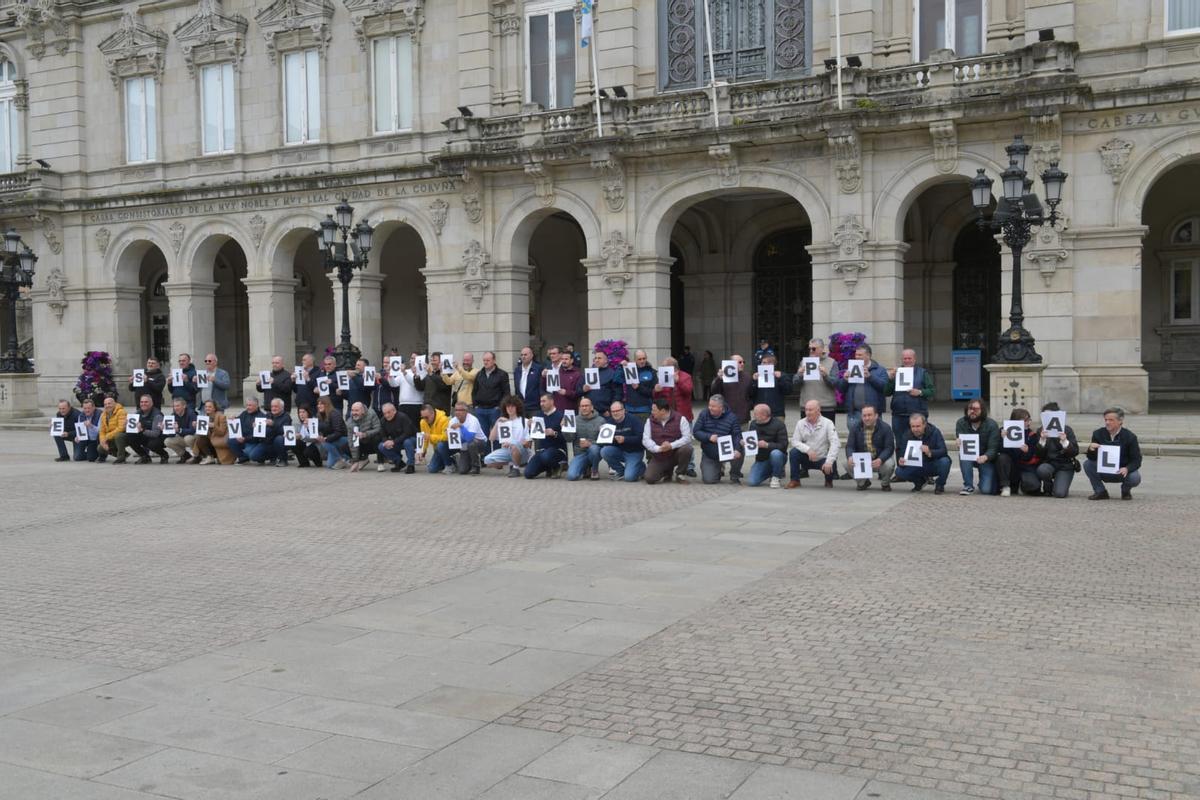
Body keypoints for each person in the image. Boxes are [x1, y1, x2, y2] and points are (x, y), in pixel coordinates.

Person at [1084, 406, 1142, 501]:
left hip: (1121, 471)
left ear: (1120, 421)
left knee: (1135, 477)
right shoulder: (1098, 434)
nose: (1107, 422)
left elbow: (1137, 460)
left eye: (1111, 420)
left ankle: (1125, 491)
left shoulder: (1130, 437)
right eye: (1106, 420)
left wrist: (1127, 468)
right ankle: (1100, 491)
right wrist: (1091, 449)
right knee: (1087, 464)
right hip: (1103, 470)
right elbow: (1092, 458)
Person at [653, 355, 697, 478]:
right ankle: (669, 466)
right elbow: (657, 398)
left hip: (684, 414)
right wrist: (656, 391)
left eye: (665, 367)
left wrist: (678, 382)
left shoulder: (685, 376)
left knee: (687, 441)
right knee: (670, 440)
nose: (662, 369)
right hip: (668, 416)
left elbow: (688, 391)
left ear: (674, 368)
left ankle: (689, 466)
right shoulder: (662, 377)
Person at [835, 344, 888, 434]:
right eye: (856, 355)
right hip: (855, 413)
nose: (857, 357)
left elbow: (885, 388)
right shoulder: (851, 369)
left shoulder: (880, 370)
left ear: (868, 355)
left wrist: (870, 377)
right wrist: (844, 380)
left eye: (860, 355)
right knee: (855, 440)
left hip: (873, 413)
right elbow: (840, 389)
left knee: (875, 440)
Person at [786, 399, 840, 489]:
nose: (807, 412)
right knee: (793, 452)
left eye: (810, 410)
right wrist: (808, 450)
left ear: (818, 411)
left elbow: (835, 443)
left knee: (832, 462)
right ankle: (795, 480)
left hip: (822, 458)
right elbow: (795, 441)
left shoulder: (828, 423)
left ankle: (828, 480)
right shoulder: (800, 423)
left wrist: (829, 461)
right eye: (806, 410)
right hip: (807, 456)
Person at [894, 413, 951, 493]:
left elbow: (943, 451)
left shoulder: (934, 432)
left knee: (945, 461)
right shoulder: (907, 435)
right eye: (913, 426)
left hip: (932, 463)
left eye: (918, 426)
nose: (915, 429)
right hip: (917, 465)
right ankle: (919, 482)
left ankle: (940, 484)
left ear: (924, 425)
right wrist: (902, 460)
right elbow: (902, 453)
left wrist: (930, 452)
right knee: (899, 471)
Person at [692, 394, 744, 485]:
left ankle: (735, 475)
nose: (710, 408)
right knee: (709, 480)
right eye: (709, 405)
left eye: (713, 406)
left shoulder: (732, 417)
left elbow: (737, 435)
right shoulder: (704, 414)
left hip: (727, 450)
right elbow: (696, 432)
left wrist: (737, 449)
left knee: (740, 449)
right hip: (710, 452)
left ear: (721, 407)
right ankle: (717, 469)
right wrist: (709, 437)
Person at [954, 398, 1001, 496]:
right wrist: (959, 442)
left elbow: (993, 448)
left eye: (976, 409)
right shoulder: (961, 423)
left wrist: (985, 457)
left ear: (982, 410)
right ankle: (968, 485)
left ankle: (983, 480)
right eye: (970, 409)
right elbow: (962, 444)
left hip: (986, 458)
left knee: (986, 490)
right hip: (969, 456)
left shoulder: (992, 425)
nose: (972, 411)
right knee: (963, 454)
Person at [643, 397, 694, 485]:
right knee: (649, 478)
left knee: (687, 448)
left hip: (675, 454)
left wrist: (671, 445)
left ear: (662, 411)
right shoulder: (649, 421)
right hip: (659, 456)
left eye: (654, 410)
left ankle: (680, 474)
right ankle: (667, 472)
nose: (652, 412)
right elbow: (646, 439)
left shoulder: (681, 419)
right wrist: (659, 448)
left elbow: (687, 438)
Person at [885, 349, 934, 439]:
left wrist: (919, 392)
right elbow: (887, 392)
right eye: (905, 358)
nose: (907, 361)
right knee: (900, 443)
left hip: (917, 415)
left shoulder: (922, 372)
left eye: (909, 358)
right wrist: (891, 379)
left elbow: (931, 391)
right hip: (898, 415)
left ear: (914, 359)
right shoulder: (897, 372)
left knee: (918, 442)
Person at [845, 404, 895, 491]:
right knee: (847, 464)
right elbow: (850, 446)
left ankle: (885, 483)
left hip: (879, 459)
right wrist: (850, 457)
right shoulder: (855, 427)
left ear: (876, 416)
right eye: (864, 415)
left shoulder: (886, 428)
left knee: (889, 464)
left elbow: (889, 448)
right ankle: (863, 482)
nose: (867, 418)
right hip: (863, 461)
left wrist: (880, 459)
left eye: (869, 415)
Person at [1034, 402, 1079, 499]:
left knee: (1059, 494)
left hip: (1065, 466)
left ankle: (1058, 484)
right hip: (1049, 464)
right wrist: (1042, 440)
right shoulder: (1040, 431)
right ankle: (1048, 484)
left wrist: (1064, 441)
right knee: (1042, 469)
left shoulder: (1067, 430)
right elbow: (1038, 455)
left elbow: (1075, 452)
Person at [995, 408, 1042, 497]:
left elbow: (1029, 456)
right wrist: (1002, 439)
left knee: (1034, 486)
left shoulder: (1031, 435)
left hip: (1025, 467)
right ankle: (1005, 486)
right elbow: (998, 449)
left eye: (1029, 420)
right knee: (1002, 457)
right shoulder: (1003, 431)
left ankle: (1021, 486)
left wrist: (1026, 451)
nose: (1029, 423)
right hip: (1009, 467)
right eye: (1025, 420)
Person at [483, 395, 530, 477]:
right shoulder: (502, 422)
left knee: (514, 444)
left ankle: (516, 468)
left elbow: (528, 443)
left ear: (517, 407)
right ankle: (512, 462)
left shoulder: (524, 421)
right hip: (507, 451)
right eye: (508, 406)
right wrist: (497, 423)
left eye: (512, 406)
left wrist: (512, 444)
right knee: (487, 460)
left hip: (522, 451)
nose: (510, 408)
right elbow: (491, 438)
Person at [524, 393, 568, 479]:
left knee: (546, 456)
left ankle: (558, 466)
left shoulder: (561, 416)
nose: (541, 404)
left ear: (552, 401)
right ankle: (549, 467)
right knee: (528, 473)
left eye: (544, 401)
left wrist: (554, 434)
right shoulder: (538, 416)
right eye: (540, 402)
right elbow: (535, 437)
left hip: (558, 450)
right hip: (542, 451)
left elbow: (567, 438)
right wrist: (530, 428)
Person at [600, 400, 646, 482]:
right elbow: (604, 443)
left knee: (629, 478)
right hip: (620, 451)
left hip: (634, 452)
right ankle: (621, 471)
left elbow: (641, 438)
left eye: (618, 411)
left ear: (624, 410)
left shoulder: (634, 420)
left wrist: (625, 439)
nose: (615, 413)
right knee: (604, 451)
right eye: (613, 411)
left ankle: (640, 466)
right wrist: (602, 435)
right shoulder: (609, 422)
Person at [746, 403, 788, 488]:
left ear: (764, 415)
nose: (753, 416)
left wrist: (767, 445)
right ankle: (770, 471)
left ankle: (776, 476)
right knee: (752, 482)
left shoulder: (779, 425)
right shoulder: (753, 424)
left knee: (776, 453)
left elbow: (783, 445)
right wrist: (745, 443)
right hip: (761, 459)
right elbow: (751, 443)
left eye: (755, 414)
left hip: (778, 456)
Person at [797, 339, 838, 423]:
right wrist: (799, 375)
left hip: (826, 407)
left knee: (827, 435)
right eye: (809, 349)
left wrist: (826, 375)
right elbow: (795, 383)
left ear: (822, 349)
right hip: (807, 406)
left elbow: (836, 383)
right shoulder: (804, 362)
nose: (811, 351)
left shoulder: (832, 362)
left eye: (814, 349)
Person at [439, 402, 486, 475]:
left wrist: (461, 427)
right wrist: (447, 433)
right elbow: (452, 439)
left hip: (479, 443)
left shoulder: (473, 420)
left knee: (471, 444)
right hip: (462, 445)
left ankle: (476, 466)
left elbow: (469, 438)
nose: (458, 412)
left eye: (461, 410)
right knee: (462, 471)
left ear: (466, 411)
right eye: (456, 410)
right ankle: (452, 462)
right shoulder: (452, 421)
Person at [472, 351, 509, 440]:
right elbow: (474, 391)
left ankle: (496, 453)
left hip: (495, 409)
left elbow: (506, 393)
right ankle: (485, 453)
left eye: (488, 360)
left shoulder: (502, 374)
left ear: (494, 361)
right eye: (484, 360)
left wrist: (500, 407)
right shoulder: (479, 374)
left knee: (496, 435)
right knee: (483, 436)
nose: (485, 362)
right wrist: (475, 406)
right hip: (480, 409)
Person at [565, 397, 605, 481]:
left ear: (592, 407)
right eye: (582, 406)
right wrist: (565, 429)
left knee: (594, 449)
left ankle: (594, 470)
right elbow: (569, 439)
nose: (584, 408)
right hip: (580, 453)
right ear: (579, 408)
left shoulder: (601, 421)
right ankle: (585, 468)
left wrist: (590, 443)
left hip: (594, 452)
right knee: (571, 476)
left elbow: (604, 442)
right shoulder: (574, 420)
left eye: (586, 405)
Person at [709, 354, 755, 424]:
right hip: (726, 417)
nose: (742, 364)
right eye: (739, 362)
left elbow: (752, 394)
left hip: (743, 417)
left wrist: (748, 406)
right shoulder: (723, 376)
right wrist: (719, 379)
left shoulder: (747, 377)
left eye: (743, 362)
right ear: (731, 363)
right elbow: (714, 392)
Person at [376, 403, 418, 473]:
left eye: (389, 412)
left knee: (407, 442)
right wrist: (386, 441)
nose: (387, 415)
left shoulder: (403, 417)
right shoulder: (383, 420)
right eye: (384, 413)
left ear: (394, 411)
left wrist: (393, 442)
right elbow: (383, 435)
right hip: (397, 441)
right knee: (381, 446)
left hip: (411, 439)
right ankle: (399, 463)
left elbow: (407, 433)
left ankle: (411, 465)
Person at [126, 394, 168, 464]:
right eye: (141, 402)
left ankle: (164, 455)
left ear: (152, 403)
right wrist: (126, 426)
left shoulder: (157, 415)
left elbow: (155, 434)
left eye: (146, 402)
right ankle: (144, 456)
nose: (143, 404)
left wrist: (142, 430)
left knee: (152, 444)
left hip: (159, 438)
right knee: (130, 435)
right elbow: (132, 428)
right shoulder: (138, 413)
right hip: (146, 436)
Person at [193, 399, 234, 465]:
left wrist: (213, 426)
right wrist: (196, 426)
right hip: (212, 440)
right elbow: (203, 432)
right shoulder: (205, 417)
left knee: (202, 439)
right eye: (206, 407)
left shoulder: (221, 416)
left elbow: (222, 432)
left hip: (219, 440)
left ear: (214, 408)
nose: (207, 408)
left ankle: (213, 457)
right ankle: (209, 457)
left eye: (210, 407)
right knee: (199, 437)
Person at [543, 345, 581, 414]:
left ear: (572, 360)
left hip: (569, 410)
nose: (564, 361)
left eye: (566, 359)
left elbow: (579, 393)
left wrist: (566, 392)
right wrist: (543, 377)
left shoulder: (577, 374)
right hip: (554, 409)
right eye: (562, 359)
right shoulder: (553, 371)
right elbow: (544, 388)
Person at [229, 397, 268, 465]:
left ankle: (260, 457)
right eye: (247, 405)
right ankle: (243, 458)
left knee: (252, 455)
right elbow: (237, 423)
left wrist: (245, 439)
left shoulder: (261, 417)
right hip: (244, 440)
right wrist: (233, 419)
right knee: (231, 440)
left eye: (250, 405)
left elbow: (258, 436)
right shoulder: (244, 413)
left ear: (257, 406)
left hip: (254, 442)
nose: (247, 407)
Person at [581, 350, 622, 415]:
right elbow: (578, 390)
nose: (597, 360)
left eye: (599, 358)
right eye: (595, 358)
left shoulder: (612, 374)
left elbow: (618, 394)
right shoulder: (588, 373)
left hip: (605, 412)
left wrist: (610, 410)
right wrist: (583, 389)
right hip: (589, 412)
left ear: (606, 360)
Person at [315, 395, 350, 469]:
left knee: (324, 443)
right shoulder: (319, 416)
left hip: (344, 439)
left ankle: (341, 460)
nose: (319, 406)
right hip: (332, 440)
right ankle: (345, 458)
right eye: (318, 404)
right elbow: (319, 429)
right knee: (329, 466)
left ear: (327, 404)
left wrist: (326, 438)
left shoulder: (334, 414)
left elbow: (338, 432)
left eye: (321, 404)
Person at [347, 401, 381, 472]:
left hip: (372, 440)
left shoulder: (372, 414)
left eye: (356, 410)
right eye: (352, 410)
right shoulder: (349, 421)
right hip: (361, 443)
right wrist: (355, 460)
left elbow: (378, 428)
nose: (354, 413)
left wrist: (365, 434)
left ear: (363, 410)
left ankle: (381, 462)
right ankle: (362, 459)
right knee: (346, 444)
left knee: (377, 438)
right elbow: (351, 441)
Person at [755, 355, 793, 419]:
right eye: (762, 362)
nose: (762, 364)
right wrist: (753, 381)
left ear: (771, 364)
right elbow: (750, 393)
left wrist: (780, 379)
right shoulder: (758, 376)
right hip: (760, 412)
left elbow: (788, 391)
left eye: (764, 362)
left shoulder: (782, 375)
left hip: (777, 413)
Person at [624, 349, 658, 421]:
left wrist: (639, 388)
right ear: (635, 360)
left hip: (644, 410)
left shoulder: (652, 372)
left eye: (644, 358)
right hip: (629, 410)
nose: (642, 361)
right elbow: (616, 379)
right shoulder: (628, 370)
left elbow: (653, 392)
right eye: (639, 359)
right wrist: (620, 367)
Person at [163, 396, 198, 464]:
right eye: (174, 406)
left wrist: (179, 430)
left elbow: (192, 430)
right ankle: (185, 456)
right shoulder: (173, 415)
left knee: (188, 438)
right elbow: (172, 434)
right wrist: (165, 429)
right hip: (183, 437)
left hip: (194, 437)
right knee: (167, 441)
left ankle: (197, 456)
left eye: (178, 406)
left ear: (184, 406)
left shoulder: (191, 413)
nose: (175, 408)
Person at [392, 355, 424, 428]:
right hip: (403, 405)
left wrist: (404, 373)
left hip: (416, 405)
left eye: (415, 358)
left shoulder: (423, 372)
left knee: (415, 427)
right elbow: (394, 384)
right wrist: (390, 375)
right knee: (403, 427)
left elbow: (414, 384)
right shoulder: (404, 371)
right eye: (412, 358)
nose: (413, 360)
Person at [419, 403, 451, 473]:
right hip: (437, 449)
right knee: (432, 469)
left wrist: (430, 437)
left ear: (432, 413)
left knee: (440, 445)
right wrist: (423, 451)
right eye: (422, 417)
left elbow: (446, 437)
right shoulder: (422, 422)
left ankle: (449, 465)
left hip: (446, 446)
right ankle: (452, 461)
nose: (424, 419)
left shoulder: (444, 420)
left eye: (426, 417)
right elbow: (424, 439)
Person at [97, 395, 129, 464]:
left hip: (124, 436)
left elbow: (121, 428)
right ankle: (124, 454)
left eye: (109, 403)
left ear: (114, 404)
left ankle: (121, 458)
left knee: (118, 435)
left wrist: (107, 437)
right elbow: (102, 431)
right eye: (105, 404)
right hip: (112, 437)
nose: (107, 406)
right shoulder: (103, 415)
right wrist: (103, 441)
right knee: (100, 448)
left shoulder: (121, 412)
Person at [262, 397, 293, 466]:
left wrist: (273, 424)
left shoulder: (286, 417)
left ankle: (283, 460)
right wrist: (256, 425)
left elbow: (284, 431)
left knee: (278, 439)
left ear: (282, 407)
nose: (273, 408)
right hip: (270, 440)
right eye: (272, 406)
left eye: (276, 406)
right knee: (266, 434)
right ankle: (272, 458)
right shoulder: (268, 415)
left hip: (282, 441)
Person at [513, 346, 543, 416]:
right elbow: (517, 388)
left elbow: (541, 387)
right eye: (522, 355)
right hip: (521, 407)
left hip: (535, 407)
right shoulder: (517, 370)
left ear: (532, 355)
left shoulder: (538, 369)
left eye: (525, 355)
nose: (523, 357)